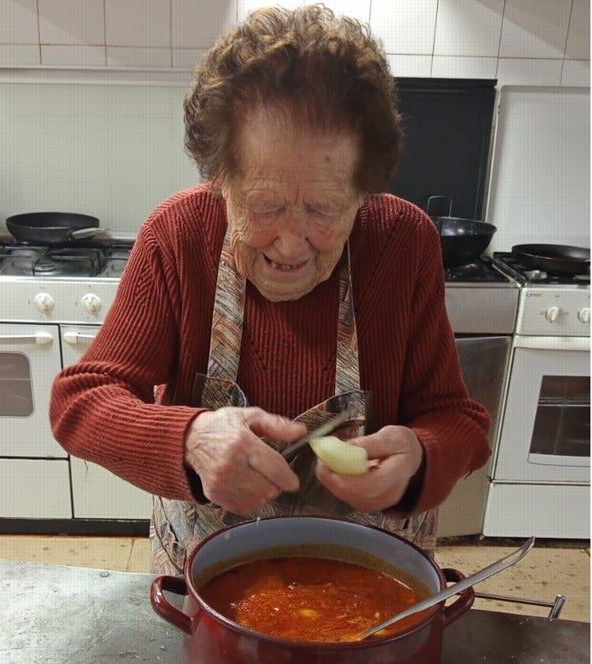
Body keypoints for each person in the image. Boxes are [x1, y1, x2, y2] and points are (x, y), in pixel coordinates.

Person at [50, 5, 491, 574]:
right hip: (207, 580)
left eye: (323, 208)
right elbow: (80, 402)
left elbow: (458, 421)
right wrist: (188, 441)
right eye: (265, 205)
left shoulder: (403, 241)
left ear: (365, 190)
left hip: (367, 580)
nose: (290, 243)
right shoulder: (179, 235)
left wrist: (422, 457)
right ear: (219, 183)